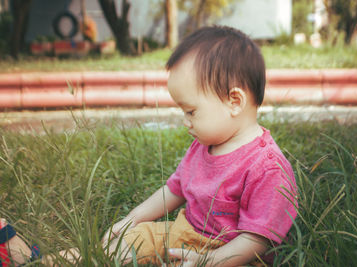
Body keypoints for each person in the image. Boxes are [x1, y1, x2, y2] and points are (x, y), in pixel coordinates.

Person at [103, 25, 298, 266]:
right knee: (125, 243)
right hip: (183, 234)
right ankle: (54, 259)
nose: (185, 121)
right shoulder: (203, 145)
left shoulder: (267, 167)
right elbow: (175, 189)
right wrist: (133, 219)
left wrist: (209, 260)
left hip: (231, 255)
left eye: (191, 111)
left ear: (234, 101)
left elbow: (257, 240)